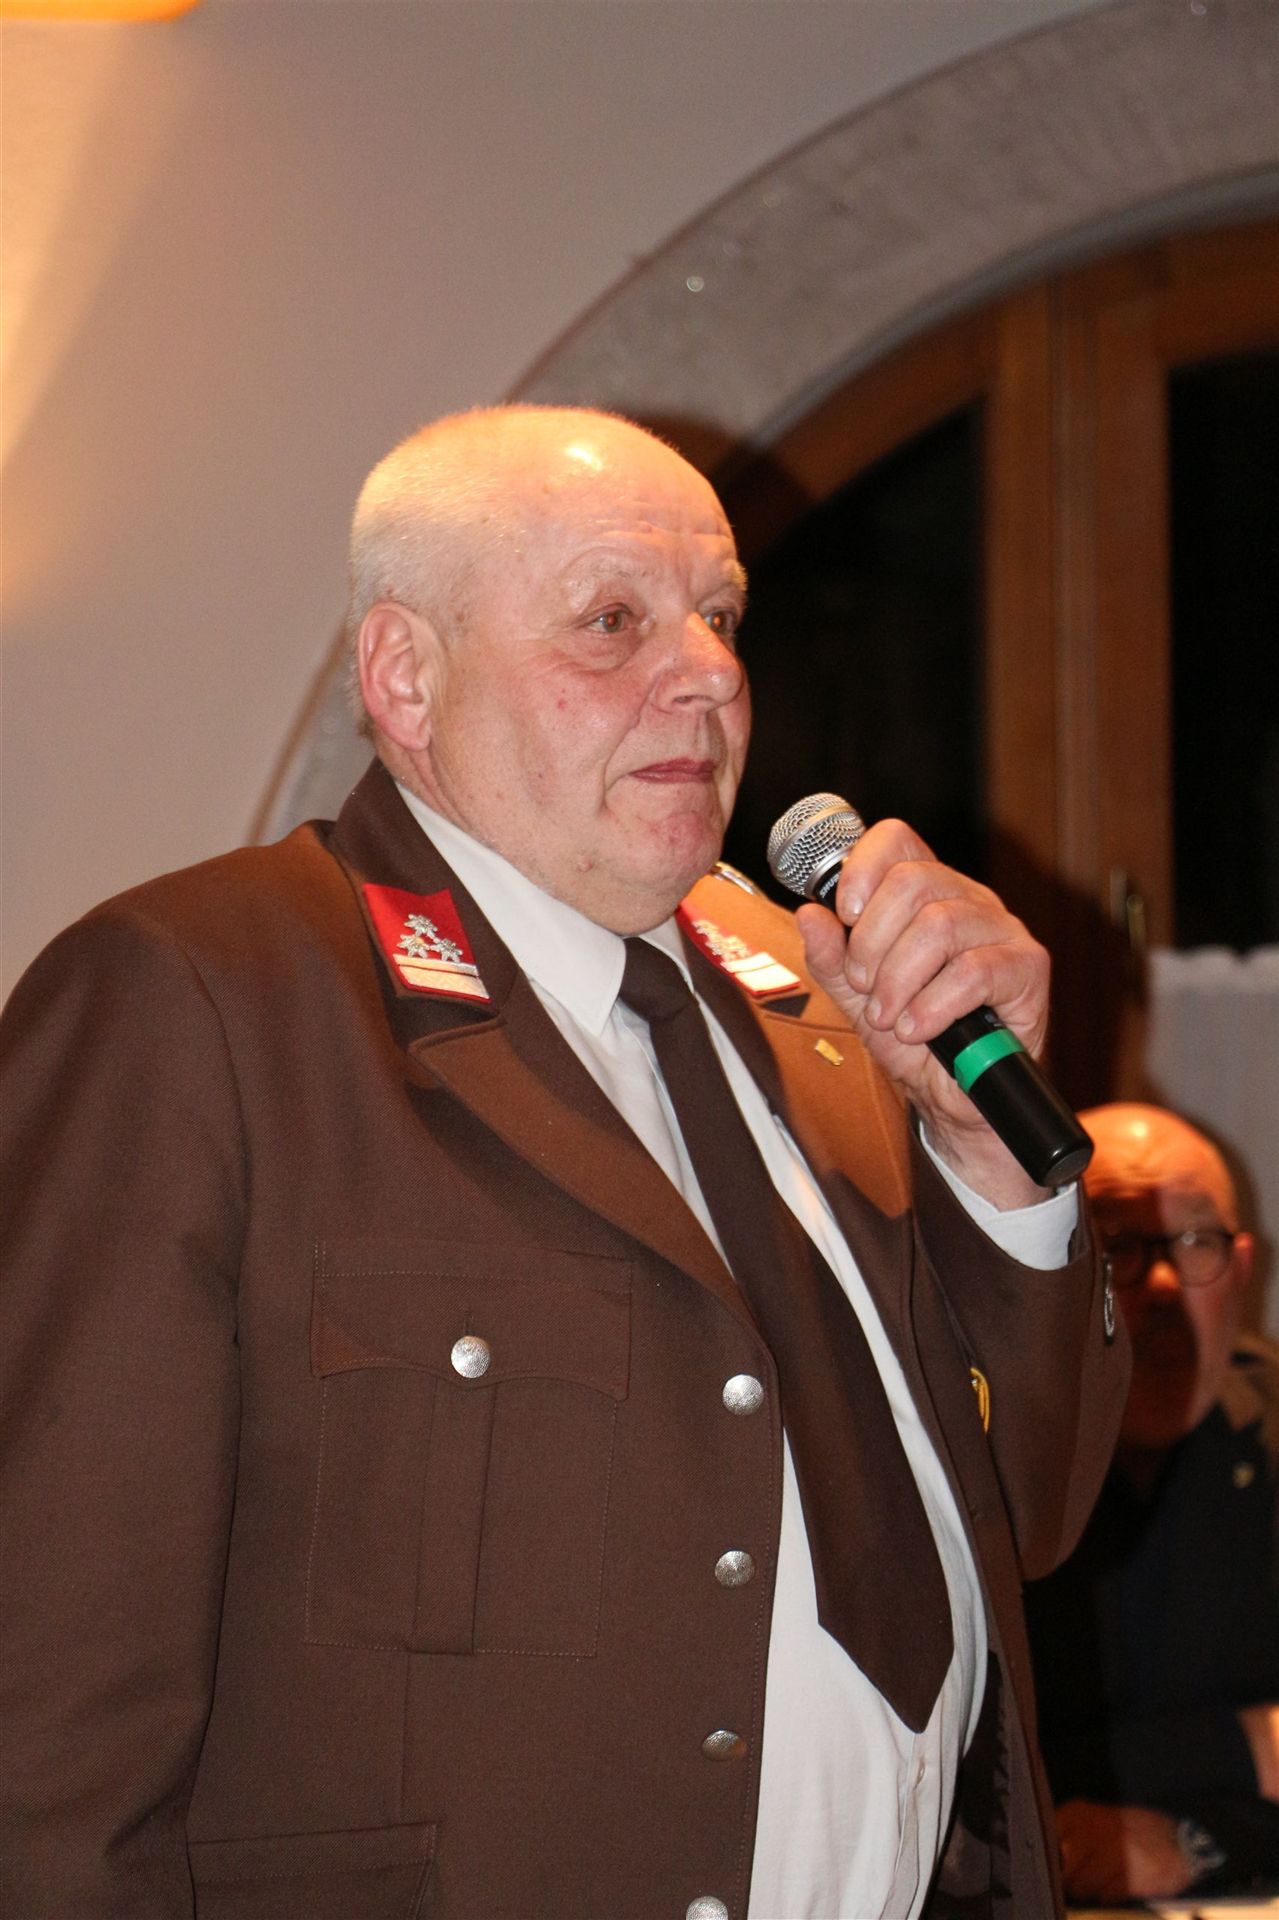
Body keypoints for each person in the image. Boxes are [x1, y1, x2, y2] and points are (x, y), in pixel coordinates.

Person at [1, 405, 1125, 1919]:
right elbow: (50, 1721)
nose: (708, 673)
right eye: (612, 621)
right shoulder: (210, 998)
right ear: (405, 675)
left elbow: (1020, 1517)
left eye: (720, 616)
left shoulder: (823, 1000)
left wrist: (993, 1168)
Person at [1025, 1101, 1279, 1905]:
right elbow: (959, 1772)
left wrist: (1190, 1841)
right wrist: (1246, 1746)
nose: (1164, 1284)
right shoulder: (978, 1461)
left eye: (1195, 1240)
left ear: (1243, 1270)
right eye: (1118, 1244)